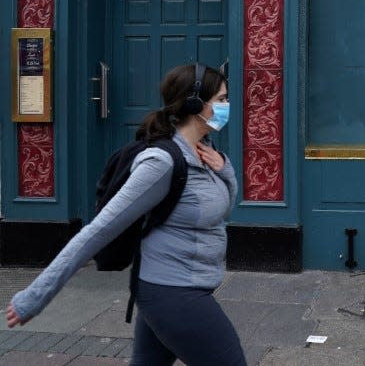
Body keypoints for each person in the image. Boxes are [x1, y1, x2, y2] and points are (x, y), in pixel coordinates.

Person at [5, 63, 246, 366]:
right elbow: (98, 231)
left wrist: (224, 168)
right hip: (174, 293)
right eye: (222, 99)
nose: (228, 105)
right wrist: (35, 297)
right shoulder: (161, 163)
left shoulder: (203, 150)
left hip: (177, 287)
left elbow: (223, 206)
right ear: (195, 103)